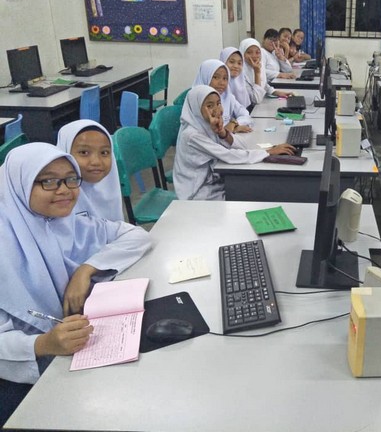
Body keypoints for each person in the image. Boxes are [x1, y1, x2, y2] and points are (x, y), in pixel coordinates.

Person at [0, 143, 152, 424]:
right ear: (19, 185)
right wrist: (43, 343)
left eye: (71, 179)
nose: (65, 190)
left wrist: (85, 270)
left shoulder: (66, 222)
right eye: (48, 181)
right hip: (19, 372)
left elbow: (137, 236)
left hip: (74, 346)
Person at [173, 86, 295, 200]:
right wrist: (267, 152)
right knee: (251, 195)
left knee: (254, 188)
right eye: (209, 106)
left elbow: (242, 146)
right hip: (198, 192)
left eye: (218, 103)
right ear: (196, 108)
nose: (216, 110)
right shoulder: (192, 135)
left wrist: (222, 133)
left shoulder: (206, 125)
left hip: (214, 181)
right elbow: (227, 155)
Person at [56, 120, 124, 221]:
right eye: (84, 152)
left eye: (104, 152)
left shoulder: (109, 190)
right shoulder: (53, 200)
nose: (96, 162)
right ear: (65, 153)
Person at [192, 59, 252, 133]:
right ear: (205, 76)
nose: (222, 83)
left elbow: (245, 115)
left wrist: (234, 124)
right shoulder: (196, 101)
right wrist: (227, 130)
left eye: (225, 78)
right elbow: (206, 132)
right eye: (216, 77)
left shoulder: (227, 97)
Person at [239, 38, 291, 105]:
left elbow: (263, 84)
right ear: (242, 54)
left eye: (257, 52)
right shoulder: (240, 73)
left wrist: (276, 92)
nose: (254, 56)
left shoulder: (259, 65)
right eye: (249, 52)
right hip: (250, 109)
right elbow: (256, 99)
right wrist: (257, 73)